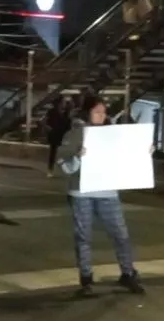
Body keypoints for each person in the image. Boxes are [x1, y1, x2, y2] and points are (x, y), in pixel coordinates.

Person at [56, 95, 146, 297]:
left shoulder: (112, 135)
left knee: (120, 234)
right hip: (81, 192)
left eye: (104, 112)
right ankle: (86, 278)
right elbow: (64, 166)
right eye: (97, 111)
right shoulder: (74, 135)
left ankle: (128, 272)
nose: (101, 115)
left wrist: (143, 152)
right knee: (83, 236)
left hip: (108, 191)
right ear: (87, 112)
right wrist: (78, 157)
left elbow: (127, 156)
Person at [44, 96, 72, 179]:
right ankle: (50, 170)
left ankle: (68, 169)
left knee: (66, 153)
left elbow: (68, 124)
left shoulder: (67, 112)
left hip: (63, 134)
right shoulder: (52, 111)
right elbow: (44, 121)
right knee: (53, 152)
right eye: (63, 102)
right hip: (54, 133)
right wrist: (47, 127)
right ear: (59, 103)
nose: (64, 104)